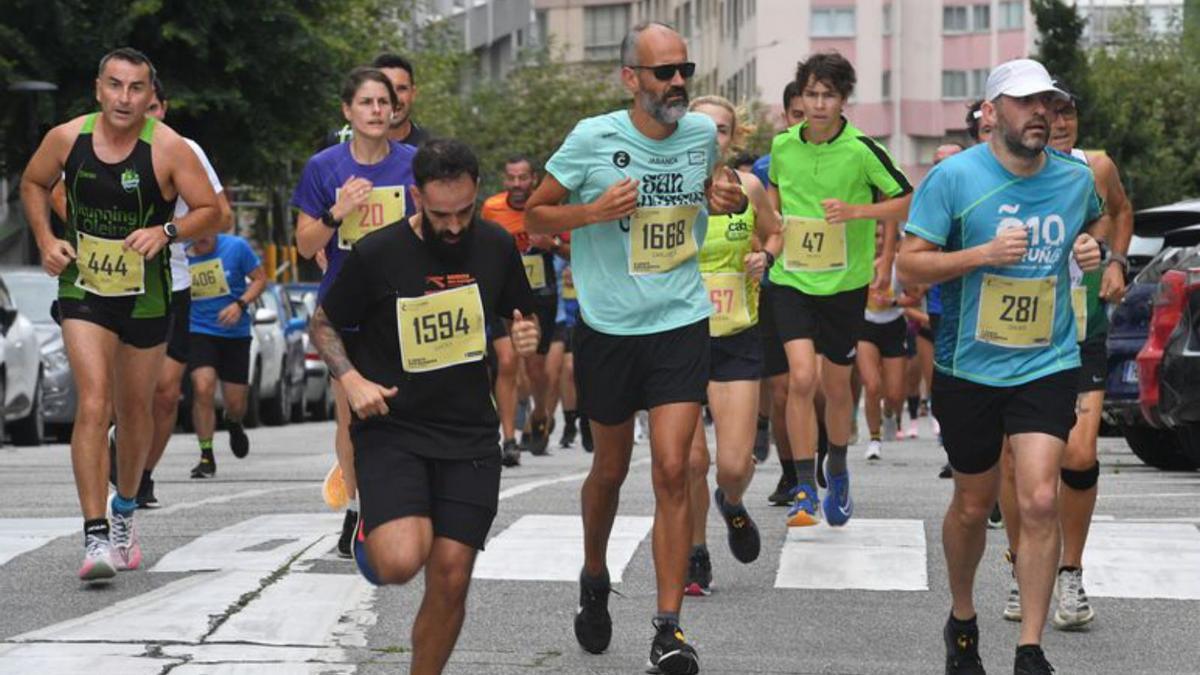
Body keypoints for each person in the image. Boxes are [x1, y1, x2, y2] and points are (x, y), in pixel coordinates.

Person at [524, 21, 745, 674]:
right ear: (630, 79)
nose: (678, 83)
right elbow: (535, 214)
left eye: (684, 70)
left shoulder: (702, 135)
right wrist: (590, 213)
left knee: (675, 467)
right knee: (611, 470)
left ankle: (668, 628)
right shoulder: (593, 139)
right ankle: (595, 575)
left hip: (679, 320)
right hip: (609, 328)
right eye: (663, 73)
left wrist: (719, 193)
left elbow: (709, 188)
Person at [897, 58, 1104, 675]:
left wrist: (1097, 249)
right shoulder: (955, 179)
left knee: (1040, 498)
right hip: (969, 366)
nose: (1041, 112)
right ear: (992, 113)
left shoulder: (1074, 177)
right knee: (971, 503)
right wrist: (981, 254)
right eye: (1025, 102)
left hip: (1047, 359)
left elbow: (1094, 224)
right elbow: (909, 266)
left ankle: (1030, 648)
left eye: (1049, 102)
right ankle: (962, 616)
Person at [311, 138, 538, 675]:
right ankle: (373, 525)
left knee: (453, 573)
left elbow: (520, 313)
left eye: (464, 212)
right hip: (394, 426)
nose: (455, 226)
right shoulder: (378, 252)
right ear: (416, 196)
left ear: (477, 194)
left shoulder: (497, 246)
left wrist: (526, 334)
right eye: (441, 215)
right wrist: (352, 379)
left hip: (468, 433)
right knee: (398, 562)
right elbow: (323, 323)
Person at [20, 47, 222, 581]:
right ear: (98, 88)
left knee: (135, 412)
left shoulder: (170, 149)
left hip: (147, 294)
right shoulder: (67, 138)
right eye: (115, 85)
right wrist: (46, 239)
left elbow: (213, 212)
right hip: (84, 285)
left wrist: (167, 230)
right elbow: (34, 183)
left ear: (149, 95)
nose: (124, 98)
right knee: (94, 402)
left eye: (136, 89)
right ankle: (94, 536)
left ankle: (125, 510)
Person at [996, 80, 1133, 631]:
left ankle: (1069, 571)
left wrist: (1115, 261)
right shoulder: (1001, 169)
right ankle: (1020, 563)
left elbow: (1120, 212)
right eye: (1048, 109)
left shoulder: (1092, 168)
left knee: (1077, 455)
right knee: (1013, 458)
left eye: (1068, 109)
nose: (1060, 119)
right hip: (1015, 330)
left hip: (1079, 328)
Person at [768, 52, 913, 528]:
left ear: (843, 99)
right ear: (799, 98)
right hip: (791, 279)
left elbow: (906, 199)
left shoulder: (861, 149)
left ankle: (838, 466)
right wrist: (765, 244)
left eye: (828, 94)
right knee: (801, 377)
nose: (819, 103)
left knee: (834, 387)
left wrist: (857, 213)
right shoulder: (784, 146)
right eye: (811, 94)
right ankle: (804, 485)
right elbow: (773, 201)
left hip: (844, 287)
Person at [294, 67, 417, 557]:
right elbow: (305, 244)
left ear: (395, 109)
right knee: (351, 418)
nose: (376, 111)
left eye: (383, 103)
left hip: (404, 306)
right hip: (344, 307)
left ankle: (397, 501)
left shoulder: (414, 164)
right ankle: (358, 509)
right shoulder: (324, 167)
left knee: (402, 412)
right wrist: (337, 211)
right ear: (347, 111)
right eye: (365, 103)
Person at [684, 95, 782, 596]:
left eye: (721, 130)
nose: (711, 137)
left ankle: (733, 502)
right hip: (678, 336)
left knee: (734, 464)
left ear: (732, 137)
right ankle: (695, 554)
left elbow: (776, 233)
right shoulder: (667, 190)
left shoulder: (748, 186)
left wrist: (764, 256)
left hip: (736, 334)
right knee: (691, 462)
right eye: (701, 127)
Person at [130, 77, 234, 505]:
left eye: (153, 107)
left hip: (172, 282)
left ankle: (143, 474)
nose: (146, 115)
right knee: (124, 392)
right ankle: (124, 458)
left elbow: (221, 215)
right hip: (113, 284)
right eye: (140, 104)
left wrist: (174, 231)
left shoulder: (184, 150)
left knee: (167, 391)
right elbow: (58, 191)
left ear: (163, 108)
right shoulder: (97, 143)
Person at [482, 155, 568, 460]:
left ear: (533, 179)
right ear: (504, 180)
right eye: (511, 178)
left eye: (523, 178)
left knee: (535, 368)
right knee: (506, 363)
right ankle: (508, 440)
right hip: (501, 296)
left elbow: (577, 251)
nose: (517, 184)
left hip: (538, 297)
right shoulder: (491, 209)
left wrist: (553, 246)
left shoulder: (548, 208)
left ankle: (541, 412)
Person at [185, 233, 267, 477]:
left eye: (205, 236)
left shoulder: (237, 247)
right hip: (198, 330)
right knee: (203, 387)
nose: (202, 242)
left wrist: (240, 304)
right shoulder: (180, 253)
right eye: (197, 238)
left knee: (235, 404)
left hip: (235, 334)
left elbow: (260, 280)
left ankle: (233, 422)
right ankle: (206, 455)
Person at [327, 53, 432, 148]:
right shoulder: (340, 140)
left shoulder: (431, 147)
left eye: (401, 89)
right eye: (387, 88)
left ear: (413, 93)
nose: (394, 98)